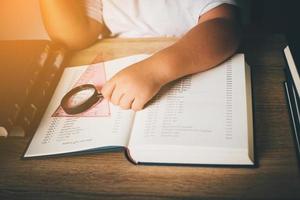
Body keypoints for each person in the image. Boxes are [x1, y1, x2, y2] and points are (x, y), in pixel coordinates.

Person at [40, 0, 241, 111]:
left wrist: (154, 71)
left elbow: (224, 28)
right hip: (123, 80)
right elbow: (76, 37)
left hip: (195, 70)